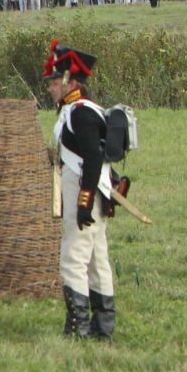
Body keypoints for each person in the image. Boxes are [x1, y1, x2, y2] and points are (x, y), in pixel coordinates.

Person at [46, 41, 117, 340]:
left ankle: (79, 329)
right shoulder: (77, 111)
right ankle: (103, 329)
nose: (49, 88)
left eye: (53, 82)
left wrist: (84, 201)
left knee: (74, 257)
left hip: (84, 190)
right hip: (92, 188)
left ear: (69, 82)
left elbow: (92, 157)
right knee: (97, 259)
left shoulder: (80, 113)